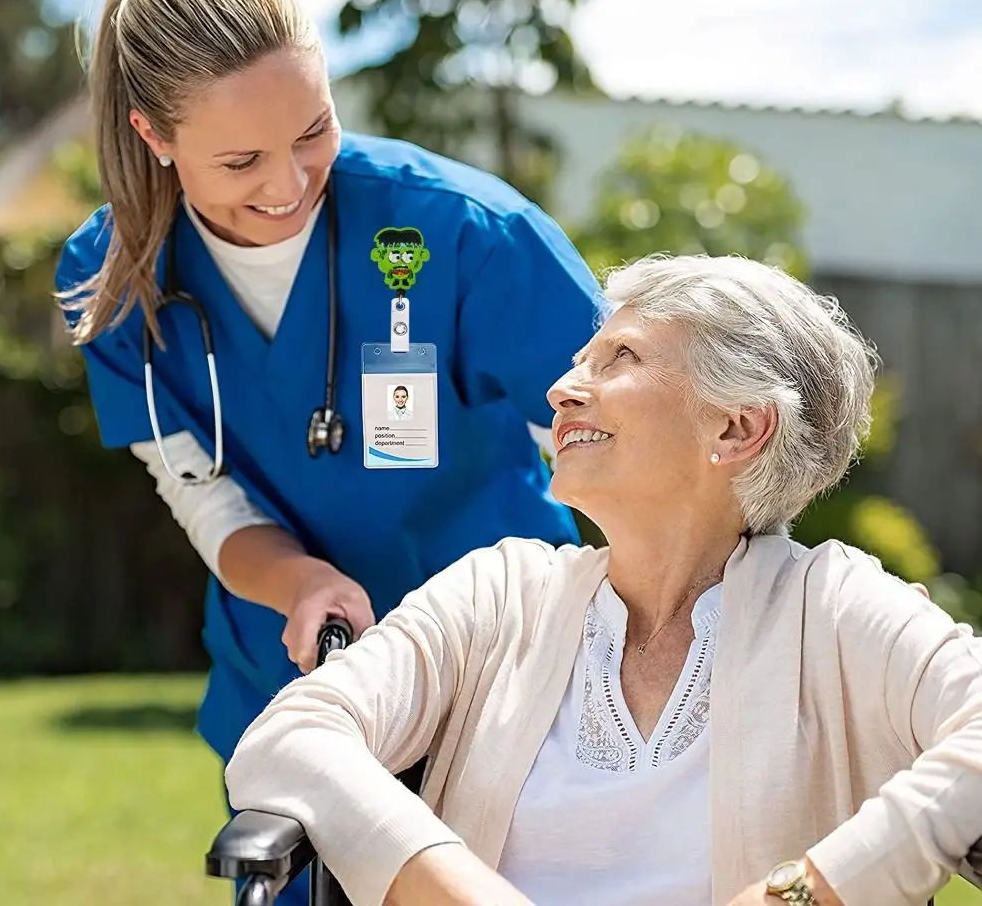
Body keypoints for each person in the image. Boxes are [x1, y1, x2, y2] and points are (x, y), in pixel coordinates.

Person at [54, 0, 603, 906]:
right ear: (152, 133)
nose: (289, 181)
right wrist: (301, 582)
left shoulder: (465, 234)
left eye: (314, 130)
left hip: (503, 685)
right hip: (297, 691)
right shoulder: (111, 282)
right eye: (239, 160)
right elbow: (202, 494)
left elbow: (630, 445)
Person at [225, 254, 982, 906]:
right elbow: (288, 739)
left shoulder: (837, 607)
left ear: (735, 428)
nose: (560, 389)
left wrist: (807, 890)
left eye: (619, 358)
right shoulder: (501, 593)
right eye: (580, 361)